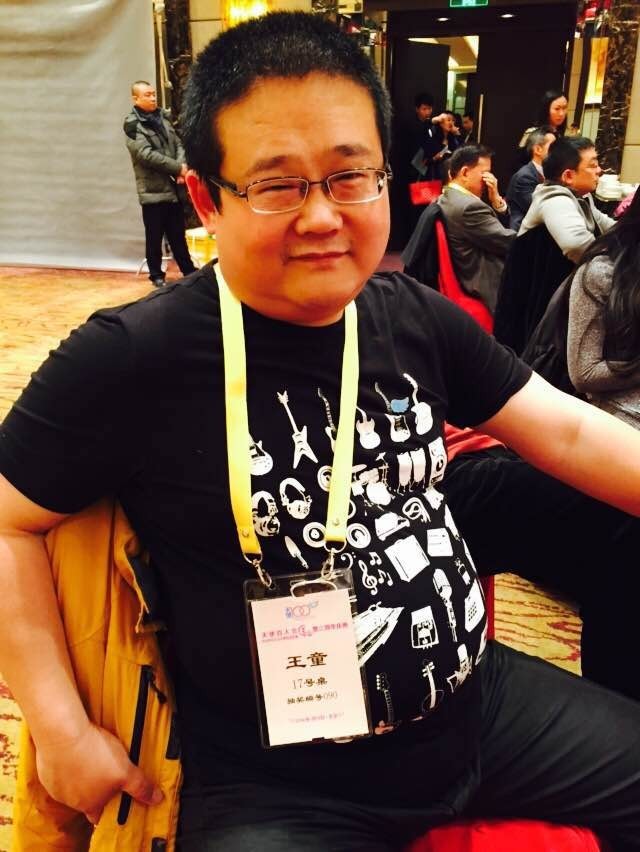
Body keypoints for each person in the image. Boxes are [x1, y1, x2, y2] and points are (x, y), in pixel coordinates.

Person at [2, 12, 640, 851]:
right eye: (277, 185)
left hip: (475, 707)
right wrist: (58, 728)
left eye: (350, 177)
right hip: (279, 781)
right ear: (206, 198)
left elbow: (568, 435)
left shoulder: (408, 315)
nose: (322, 217)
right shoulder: (134, 355)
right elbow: (7, 522)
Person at [442, 423, 640, 701]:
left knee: (622, 511)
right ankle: (616, 709)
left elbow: (569, 431)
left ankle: (616, 709)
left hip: (492, 444)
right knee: (620, 518)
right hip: (428, 474)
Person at [567, 187, 640, 429]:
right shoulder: (603, 273)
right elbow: (584, 373)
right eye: (591, 167)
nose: (599, 170)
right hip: (622, 418)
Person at [124, 80, 197, 287]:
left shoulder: (163, 118)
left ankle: (188, 270)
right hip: (153, 191)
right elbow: (145, 155)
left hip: (174, 188)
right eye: (147, 95)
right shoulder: (132, 125)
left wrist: (182, 167)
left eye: (153, 94)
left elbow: (179, 143)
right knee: (154, 236)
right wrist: (177, 168)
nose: (153, 98)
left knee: (177, 234)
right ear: (135, 99)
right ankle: (156, 275)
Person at [437, 145, 516, 312]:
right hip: (488, 280)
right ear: (465, 172)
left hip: (471, 273)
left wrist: (496, 201)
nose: (490, 180)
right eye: (485, 174)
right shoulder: (469, 207)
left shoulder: (447, 196)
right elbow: (509, 243)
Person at [519, 136, 615, 261]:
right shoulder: (554, 199)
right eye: (593, 165)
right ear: (568, 176)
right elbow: (577, 245)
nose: (599, 170)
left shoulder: (582, 196)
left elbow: (607, 225)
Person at [505, 126, 556, 231]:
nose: (558, 151)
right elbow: (540, 210)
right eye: (553, 146)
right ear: (538, 149)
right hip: (523, 234)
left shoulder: (551, 173)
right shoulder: (524, 176)